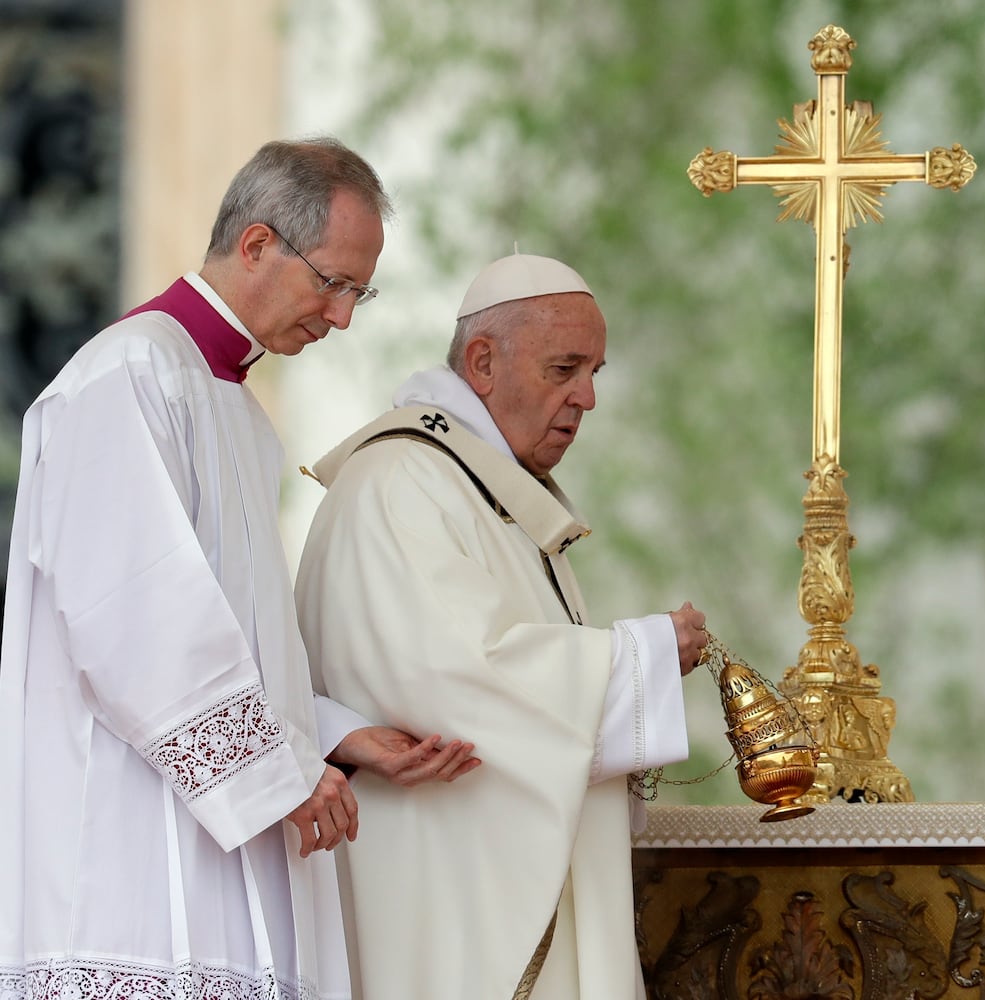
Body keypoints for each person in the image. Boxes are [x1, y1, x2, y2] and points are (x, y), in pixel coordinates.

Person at [0, 137, 480, 1000]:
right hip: (130, 856)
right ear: (257, 244)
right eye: (332, 283)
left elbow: (234, 631)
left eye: (358, 293)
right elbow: (131, 620)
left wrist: (328, 733)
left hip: (218, 834)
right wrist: (277, 770)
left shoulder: (235, 409)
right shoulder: (128, 375)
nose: (340, 318)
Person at [294, 253, 707, 1000]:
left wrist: (630, 663)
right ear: (481, 361)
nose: (586, 397)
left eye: (595, 371)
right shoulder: (402, 483)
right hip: (439, 888)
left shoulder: (487, 487)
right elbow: (456, 688)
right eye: (563, 369)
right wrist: (638, 657)